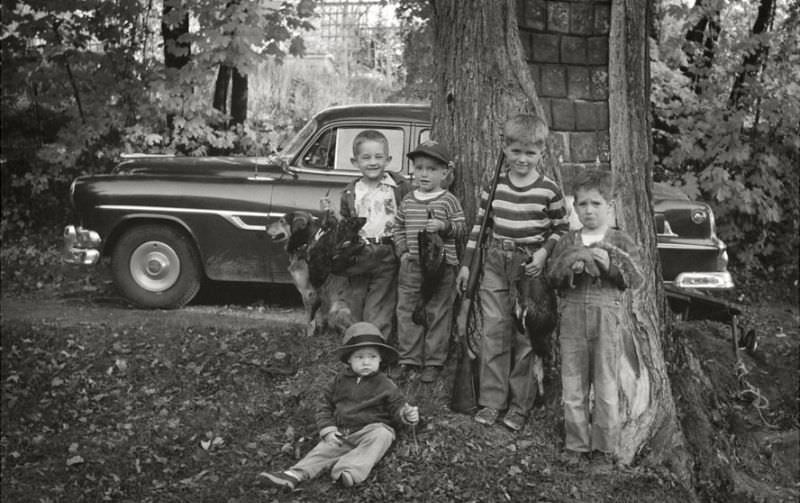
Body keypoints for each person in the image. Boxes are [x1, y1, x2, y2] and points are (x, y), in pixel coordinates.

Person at [456, 114, 570, 431]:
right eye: (516, 151)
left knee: (525, 336)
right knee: (494, 331)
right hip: (494, 261)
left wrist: (544, 253)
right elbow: (480, 226)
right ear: (505, 149)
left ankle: (520, 405)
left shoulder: (548, 189)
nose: (522, 159)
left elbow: (562, 226)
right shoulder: (494, 185)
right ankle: (492, 402)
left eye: (530, 153)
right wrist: (466, 264)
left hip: (530, 266)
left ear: (541, 154)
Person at [546, 168, 643, 463]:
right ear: (574, 207)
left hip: (606, 319)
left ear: (610, 206)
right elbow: (551, 278)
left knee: (606, 386)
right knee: (573, 385)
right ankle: (575, 445)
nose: (589, 211)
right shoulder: (567, 242)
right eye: (583, 204)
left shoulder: (621, 241)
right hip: (572, 318)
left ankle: (603, 448)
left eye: (596, 204)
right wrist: (568, 270)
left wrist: (610, 267)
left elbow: (635, 279)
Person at [259, 321, 420, 490]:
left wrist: (406, 414)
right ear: (349, 359)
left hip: (370, 430)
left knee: (383, 435)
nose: (366, 362)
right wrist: (328, 429)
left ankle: (348, 470)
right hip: (342, 432)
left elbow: (397, 406)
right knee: (322, 451)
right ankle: (294, 475)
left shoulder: (386, 384)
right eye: (360, 357)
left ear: (380, 359)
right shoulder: (338, 381)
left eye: (372, 357)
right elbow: (324, 405)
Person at [392, 140, 466, 383]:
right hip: (413, 266)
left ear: (445, 173)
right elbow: (398, 227)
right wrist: (403, 251)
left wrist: (444, 226)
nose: (424, 174)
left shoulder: (448, 200)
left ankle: (434, 361)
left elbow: (461, 228)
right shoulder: (408, 200)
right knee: (407, 311)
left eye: (432, 169)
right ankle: (409, 359)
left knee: (438, 312)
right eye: (420, 167)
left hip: (442, 267)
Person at [339, 130, 412, 341]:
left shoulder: (398, 187)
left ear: (388, 159)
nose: (373, 162)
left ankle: (376, 349)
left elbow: (415, 208)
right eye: (366, 157)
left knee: (380, 305)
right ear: (355, 162)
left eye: (379, 157)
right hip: (359, 253)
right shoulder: (351, 192)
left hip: (387, 251)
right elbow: (346, 223)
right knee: (356, 300)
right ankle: (356, 348)